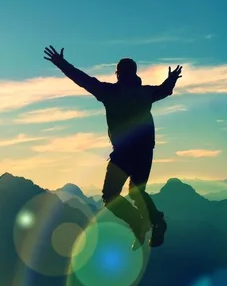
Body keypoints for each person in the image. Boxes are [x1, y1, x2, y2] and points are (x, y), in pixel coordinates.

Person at [43, 45, 183, 249]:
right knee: (136, 191)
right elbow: (165, 90)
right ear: (134, 73)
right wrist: (172, 78)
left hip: (124, 152)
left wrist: (61, 63)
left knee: (110, 196)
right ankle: (156, 221)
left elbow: (82, 79)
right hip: (145, 149)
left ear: (118, 74)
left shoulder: (110, 92)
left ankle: (139, 223)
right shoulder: (145, 93)